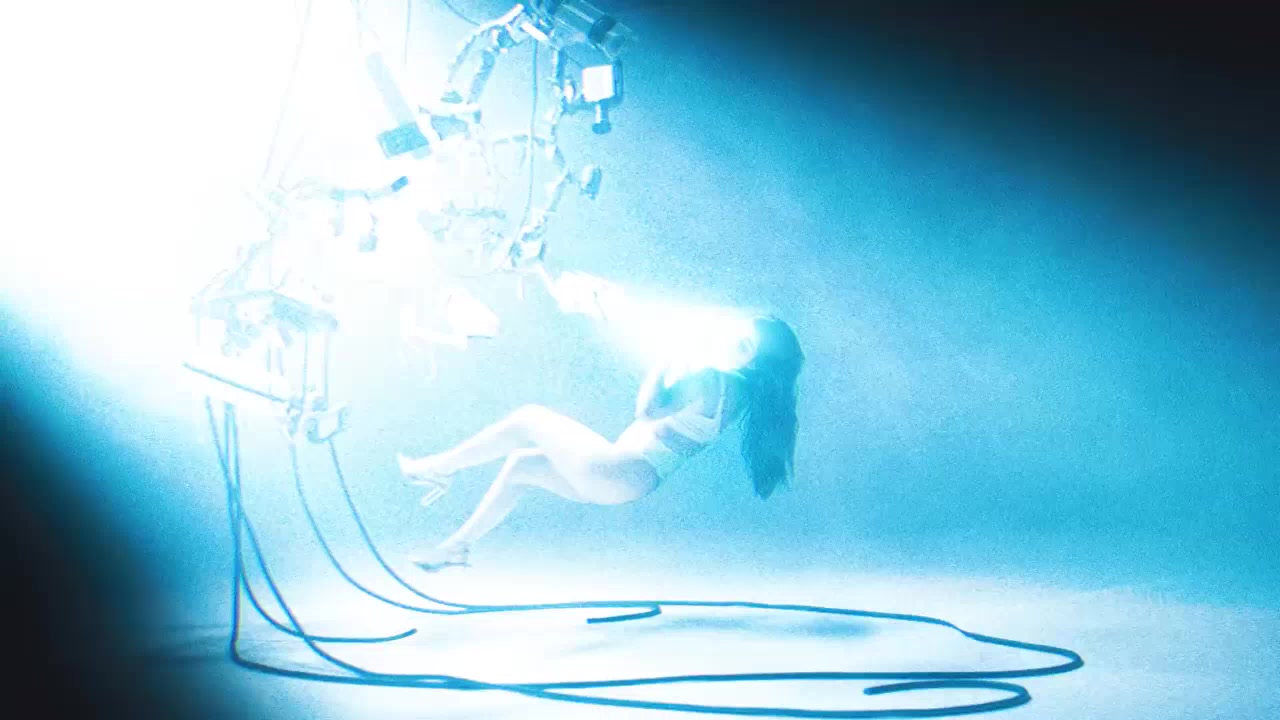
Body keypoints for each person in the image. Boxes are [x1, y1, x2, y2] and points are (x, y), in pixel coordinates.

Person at [397, 315, 804, 571]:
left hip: (617, 470)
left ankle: (438, 468)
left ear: (755, 361)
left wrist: (665, 357)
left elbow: (647, 410)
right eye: (739, 335)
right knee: (522, 465)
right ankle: (456, 548)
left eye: (744, 344)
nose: (733, 342)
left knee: (529, 417)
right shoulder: (743, 396)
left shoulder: (712, 378)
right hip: (629, 482)